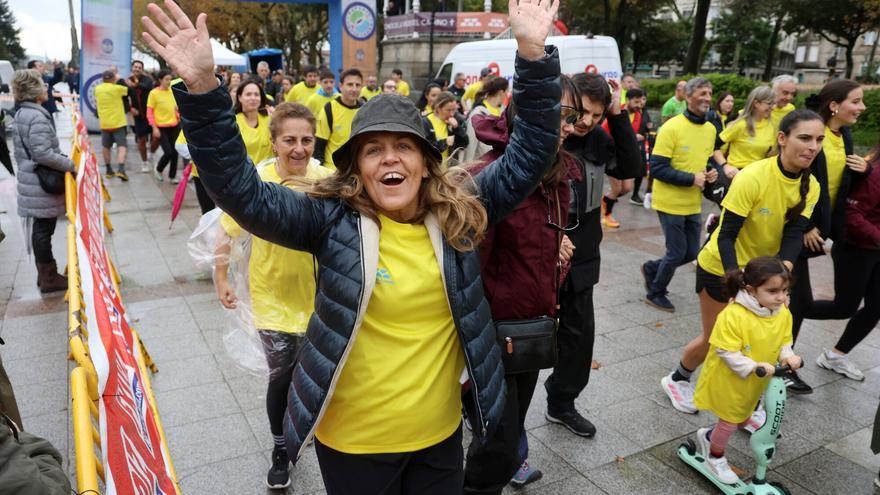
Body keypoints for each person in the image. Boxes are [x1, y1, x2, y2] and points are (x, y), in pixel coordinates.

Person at [141, 0, 560, 491]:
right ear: (356, 167)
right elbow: (240, 192)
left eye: (403, 146)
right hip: (355, 446)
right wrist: (203, 90)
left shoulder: (460, 209)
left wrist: (533, 54)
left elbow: (531, 152)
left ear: (426, 161)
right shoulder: (330, 219)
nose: (389, 159)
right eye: (373, 150)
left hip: (440, 439)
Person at [463, 75, 581, 494]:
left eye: (574, 117)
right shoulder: (488, 178)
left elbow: (543, 262)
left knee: (507, 443)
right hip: (489, 337)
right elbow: (465, 270)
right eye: (563, 115)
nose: (570, 126)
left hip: (530, 331)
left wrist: (559, 257)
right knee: (496, 447)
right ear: (526, 116)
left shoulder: (558, 179)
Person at [660, 109, 822, 415]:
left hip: (764, 276)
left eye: (818, 140)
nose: (813, 146)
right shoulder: (753, 176)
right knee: (716, 339)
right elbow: (725, 236)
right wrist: (739, 283)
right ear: (782, 139)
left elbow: (795, 232)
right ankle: (677, 379)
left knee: (761, 343)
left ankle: (747, 404)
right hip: (722, 268)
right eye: (804, 138)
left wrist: (783, 274)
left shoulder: (810, 185)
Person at [213, 102, 333, 489]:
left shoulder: (328, 179)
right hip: (271, 298)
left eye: (307, 140)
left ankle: (311, 431)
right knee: (281, 377)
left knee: (315, 375)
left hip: (320, 298)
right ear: (273, 141)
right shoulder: (258, 181)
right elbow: (225, 230)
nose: (299, 148)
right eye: (290, 140)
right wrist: (221, 277)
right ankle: (281, 448)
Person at [545, 72, 640, 437]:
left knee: (579, 334)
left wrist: (617, 117)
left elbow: (630, 169)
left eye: (596, 116)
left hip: (582, 252)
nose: (585, 122)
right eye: (582, 112)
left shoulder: (599, 139)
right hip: (538, 251)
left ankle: (562, 401)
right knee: (519, 335)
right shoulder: (549, 134)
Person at [786, 79, 868, 394]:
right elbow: (797, 177)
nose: (862, 108)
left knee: (806, 303)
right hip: (798, 226)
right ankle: (783, 366)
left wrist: (863, 170)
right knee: (800, 301)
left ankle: (775, 352)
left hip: (823, 229)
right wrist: (805, 225)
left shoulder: (842, 135)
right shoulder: (812, 131)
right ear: (834, 105)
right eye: (856, 101)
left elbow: (836, 182)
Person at [692, 256, 802, 484]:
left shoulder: (782, 312)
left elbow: (784, 340)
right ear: (751, 290)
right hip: (730, 379)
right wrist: (753, 366)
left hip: (757, 379)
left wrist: (788, 355)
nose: (781, 297)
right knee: (730, 421)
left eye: (784, 290)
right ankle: (715, 456)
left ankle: (709, 436)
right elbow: (727, 352)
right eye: (772, 291)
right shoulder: (733, 315)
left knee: (744, 417)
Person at [803, 140, 880, 382]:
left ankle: (835, 356)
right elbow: (852, 214)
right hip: (856, 249)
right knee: (844, 307)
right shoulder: (876, 172)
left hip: (876, 250)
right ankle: (785, 311)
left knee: (876, 307)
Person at [642, 77, 718, 313]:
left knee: (692, 252)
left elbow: (702, 161)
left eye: (709, 93)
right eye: (702, 93)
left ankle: (652, 268)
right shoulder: (671, 128)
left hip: (692, 202)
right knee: (675, 252)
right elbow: (656, 168)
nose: (707, 98)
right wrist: (690, 178)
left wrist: (709, 172)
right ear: (687, 96)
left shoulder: (710, 129)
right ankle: (655, 292)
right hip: (669, 201)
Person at [11, 69, 75, 293]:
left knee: (41, 228)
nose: (46, 87)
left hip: (31, 178)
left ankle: (45, 275)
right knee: (43, 229)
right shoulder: (36, 116)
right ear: (34, 90)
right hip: (39, 182)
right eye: (42, 84)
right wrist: (70, 165)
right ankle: (48, 278)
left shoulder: (23, 113)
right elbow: (42, 153)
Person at [600, 86, 647, 228]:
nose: (639, 105)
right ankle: (606, 215)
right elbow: (604, 132)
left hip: (624, 156)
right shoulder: (616, 111)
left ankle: (605, 200)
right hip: (611, 155)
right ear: (628, 100)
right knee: (616, 188)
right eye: (636, 102)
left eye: (641, 102)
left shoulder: (638, 115)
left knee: (626, 188)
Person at [714, 86, 775, 179]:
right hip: (736, 175)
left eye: (773, 104)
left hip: (758, 176)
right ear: (756, 103)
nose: (773, 107)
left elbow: (768, 155)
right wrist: (725, 166)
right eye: (769, 103)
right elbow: (714, 146)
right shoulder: (740, 125)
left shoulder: (770, 126)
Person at [314, 68, 364, 170]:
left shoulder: (364, 110)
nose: (354, 89)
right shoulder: (329, 109)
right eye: (350, 85)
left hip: (357, 169)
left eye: (357, 85)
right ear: (341, 86)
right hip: (333, 171)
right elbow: (319, 145)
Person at [94, 69, 131, 180]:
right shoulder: (117, 89)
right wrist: (120, 79)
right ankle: (121, 169)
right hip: (118, 123)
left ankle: (109, 170)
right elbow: (128, 90)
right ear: (113, 79)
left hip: (105, 124)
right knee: (122, 146)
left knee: (106, 147)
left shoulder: (97, 89)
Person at [463, 76, 509, 162]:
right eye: (507, 91)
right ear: (501, 92)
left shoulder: (505, 111)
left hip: (501, 166)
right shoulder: (478, 114)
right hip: (483, 168)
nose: (507, 94)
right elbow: (470, 146)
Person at [147, 70, 181, 183]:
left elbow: (175, 107)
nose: (169, 81)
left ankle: (172, 176)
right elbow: (150, 112)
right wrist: (154, 128)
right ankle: (159, 169)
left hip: (174, 125)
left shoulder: (172, 91)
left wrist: (178, 114)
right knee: (168, 152)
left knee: (175, 152)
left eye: (170, 79)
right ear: (160, 80)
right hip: (161, 127)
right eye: (166, 79)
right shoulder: (153, 93)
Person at [127, 60, 156, 173]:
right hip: (138, 116)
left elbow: (146, 87)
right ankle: (144, 162)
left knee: (156, 138)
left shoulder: (147, 79)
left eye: (139, 67)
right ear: (132, 68)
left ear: (142, 69)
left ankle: (151, 153)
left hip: (151, 114)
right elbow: (123, 97)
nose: (137, 69)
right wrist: (130, 108)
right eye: (135, 67)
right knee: (142, 139)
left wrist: (135, 84)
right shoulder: (127, 81)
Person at [422, 91, 467, 162]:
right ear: (438, 108)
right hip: (431, 169)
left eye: (454, 110)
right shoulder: (426, 122)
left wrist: (457, 128)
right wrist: (445, 142)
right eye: (448, 110)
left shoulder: (453, 122)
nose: (452, 114)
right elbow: (426, 148)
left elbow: (464, 144)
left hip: (447, 170)